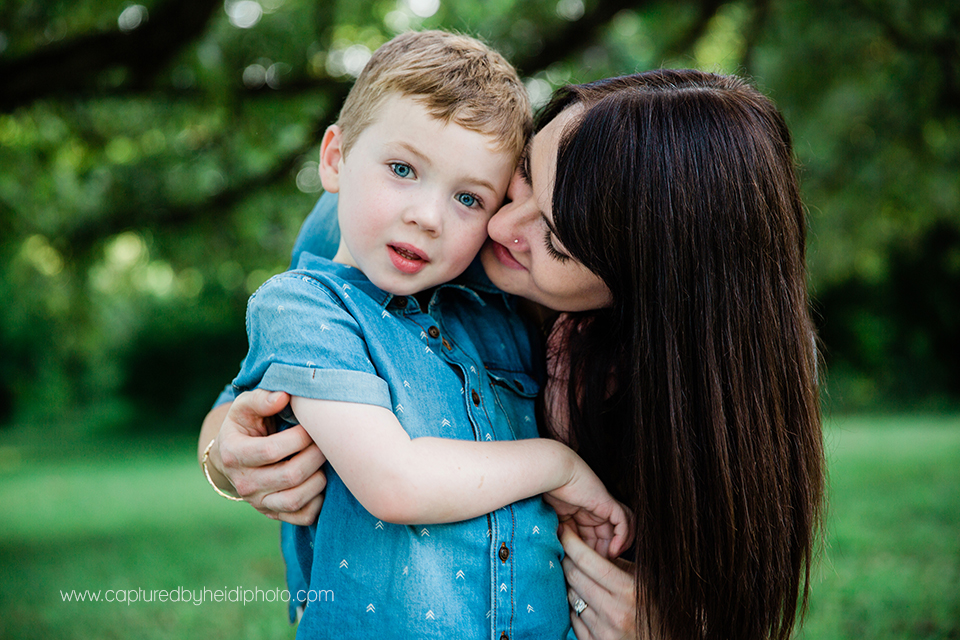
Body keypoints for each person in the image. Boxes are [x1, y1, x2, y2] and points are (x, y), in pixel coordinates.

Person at [200, 68, 826, 640]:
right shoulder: (384, 211)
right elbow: (254, 391)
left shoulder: (703, 385)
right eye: (523, 174)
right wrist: (230, 458)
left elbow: (729, 585)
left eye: (551, 240)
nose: (499, 226)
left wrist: (677, 630)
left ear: (645, 293)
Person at [210, 29, 631, 640]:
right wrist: (558, 467)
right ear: (335, 159)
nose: (428, 217)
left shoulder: (492, 308)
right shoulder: (306, 306)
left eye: (468, 197)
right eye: (403, 169)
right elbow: (394, 482)